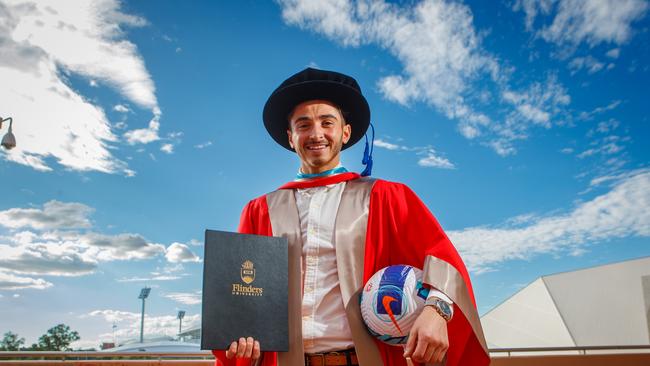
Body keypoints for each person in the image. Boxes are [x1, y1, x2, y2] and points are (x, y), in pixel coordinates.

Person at [212, 68, 489, 366]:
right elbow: (243, 295)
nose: (316, 134)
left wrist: (436, 311)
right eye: (303, 125)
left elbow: (444, 260)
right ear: (290, 137)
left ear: (345, 133)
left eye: (327, 122)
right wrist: (237, 336)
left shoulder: (386, 197)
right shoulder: (260, 210)